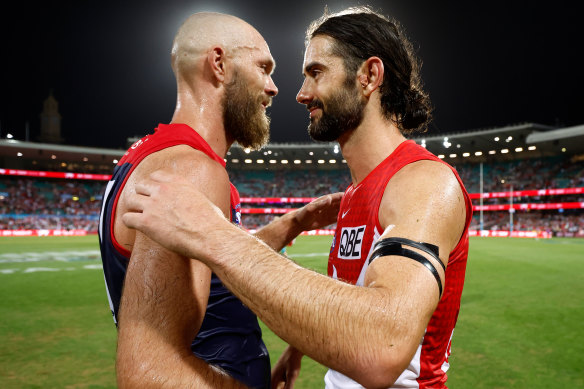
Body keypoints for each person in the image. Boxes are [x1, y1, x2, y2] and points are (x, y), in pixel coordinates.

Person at [123, 6, 473, 389]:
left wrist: (210, 232)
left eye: (316, 73)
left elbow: (382, 346)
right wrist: (300, 348)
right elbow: (351, 295)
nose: (300, 94)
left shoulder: (424, 182)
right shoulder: (356, 194)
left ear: (369, 76)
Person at [98, 12, 341, 389]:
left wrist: (294, 223)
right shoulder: (191, 169)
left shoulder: (148, 155)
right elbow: (146, 374)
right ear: (219, 64)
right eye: (263, 67)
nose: (274, 87)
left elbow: (208, 275)